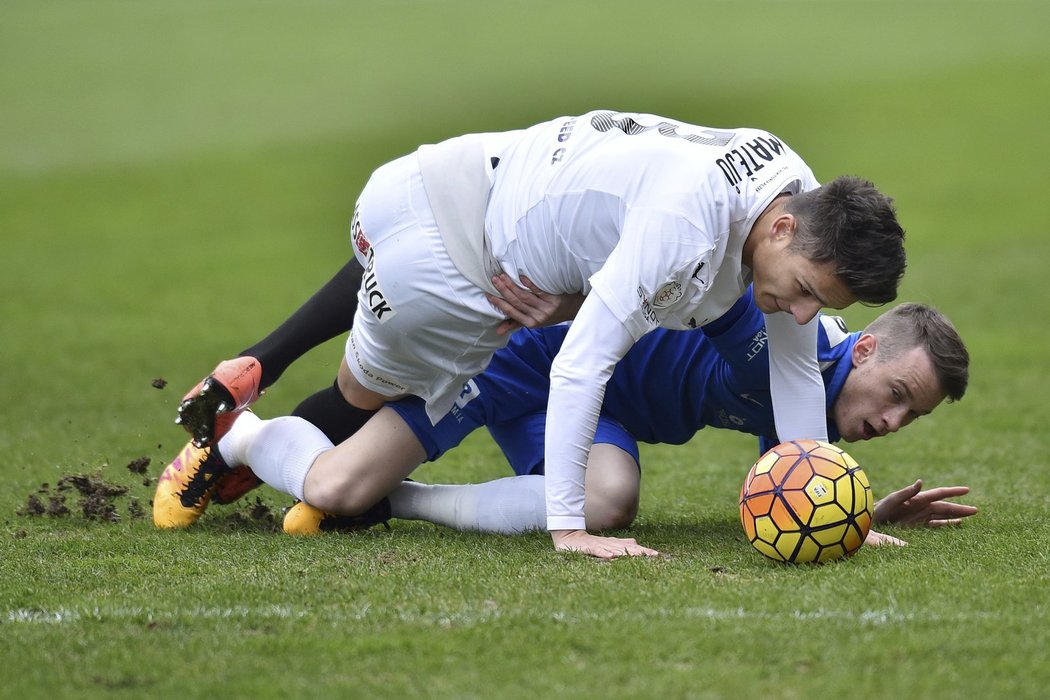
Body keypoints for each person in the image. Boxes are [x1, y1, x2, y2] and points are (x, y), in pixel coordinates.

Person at [169, 110, 907, 558]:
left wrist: (828, 506)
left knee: (367, 395)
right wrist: (568, 529)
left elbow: (795, 368)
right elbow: (580, 366)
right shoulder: (686, 227)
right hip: (455, 263)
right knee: (355, 413)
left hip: (460, 175)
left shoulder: (790, 188)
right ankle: (232, 438)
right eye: (807, 292)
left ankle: (254, 380)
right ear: (783, 229)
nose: (805, 315)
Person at [157, 291, 972, 550]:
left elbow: (790, 486)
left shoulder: (816, 402)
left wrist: (858, 512)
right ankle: (233, 434)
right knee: (332, 480)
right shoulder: (791, 347)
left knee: (608, 500)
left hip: (599, 399)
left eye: (913, 416)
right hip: (524, 357)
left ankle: (393, 500)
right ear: (862, 350)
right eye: (898, 392)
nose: (895, 419)